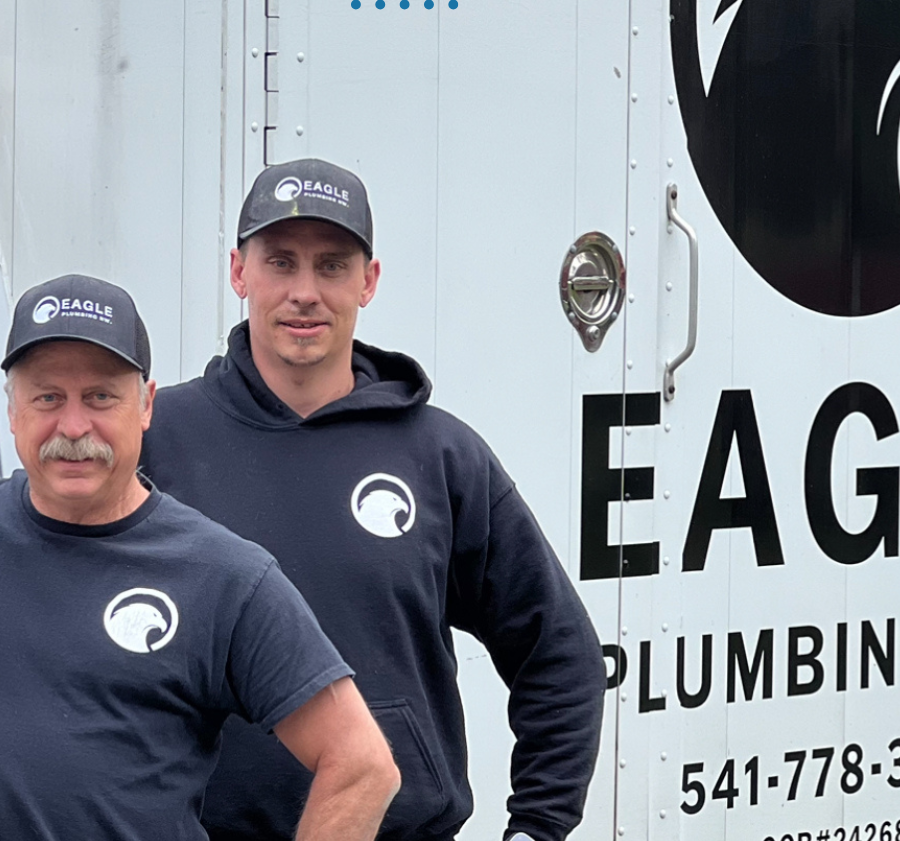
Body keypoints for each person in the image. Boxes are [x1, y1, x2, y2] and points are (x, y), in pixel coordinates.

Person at [140, 158, 607, 841]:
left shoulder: (440, 456)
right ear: (239, 272)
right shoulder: (160, 443)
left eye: (332, 266)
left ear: (369, 280)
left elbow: (560, 655)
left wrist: (537, 827)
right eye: (280, 263)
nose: (305, 292)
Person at [0, 273, 400, 840]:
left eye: (100, 397)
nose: (73, 426)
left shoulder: (222, 576)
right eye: (47, 397)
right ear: (12, 409)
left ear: (146, 405)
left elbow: (361, 766)